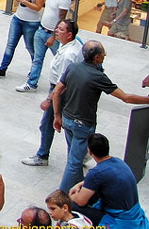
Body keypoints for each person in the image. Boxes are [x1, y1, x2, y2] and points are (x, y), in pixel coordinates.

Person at [51, 41, 149, 192]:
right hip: (82, 124)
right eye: (103, 53)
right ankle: (62, 197)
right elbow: (126, 98)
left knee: (73, 157)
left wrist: (57, 116)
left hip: (67, 120)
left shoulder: (73, 67)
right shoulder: (98, 76)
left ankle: (79, 189)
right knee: (74, 163)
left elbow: (56, 92)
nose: (105, 55)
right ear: (97, 57)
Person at [69, 133, 149, 229]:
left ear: (90, 152)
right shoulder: (119, 162)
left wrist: (72, 194)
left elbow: (80, 201)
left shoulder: (96, 173)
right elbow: (96, 179)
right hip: (132, 211)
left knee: (71, 204)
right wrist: (80, 184)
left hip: (117, 218)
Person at [20, 20, 84, 168]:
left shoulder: (68, 55)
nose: (56, 31)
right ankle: (82, 154)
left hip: (59, 92)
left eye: (61, 29)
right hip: (63, 91)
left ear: (69, 34)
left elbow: (62, 85)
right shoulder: (71, 45)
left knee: (48, 125)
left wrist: (49, 100)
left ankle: (43, 155)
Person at [18, 0, 71, 92]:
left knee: (59, 60)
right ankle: (31, 83)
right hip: (41, 30)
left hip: (53, 34)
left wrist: (53, 36)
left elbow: (61, 19)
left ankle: (63, 85)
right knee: (37, 58)